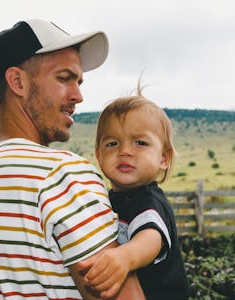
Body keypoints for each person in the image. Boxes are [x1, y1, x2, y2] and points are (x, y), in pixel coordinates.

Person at [0, 19, 144, 300]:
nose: (78, 96)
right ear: (18, 82)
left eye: (79, 82)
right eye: (64, 78)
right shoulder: (63, 175)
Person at [80, 87, 190, 299]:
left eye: (140, 143)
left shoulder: (148, 201)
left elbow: (151, 238)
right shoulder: (107, 200)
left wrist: (125, 257)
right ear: (99, 155)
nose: (125, 151)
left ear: (163, 158)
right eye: (112, 143)